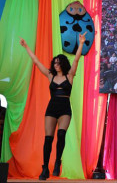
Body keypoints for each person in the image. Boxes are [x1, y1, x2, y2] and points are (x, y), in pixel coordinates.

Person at [20, 32, 87, 180]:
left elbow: (76, 60)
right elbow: (37, 62)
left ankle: (57, 161)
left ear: (62, 63)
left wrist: (81, 43)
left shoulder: (69, 75)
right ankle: (45, 168)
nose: (56, 65)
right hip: (52, 108)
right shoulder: (50, 75)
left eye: (58, 62)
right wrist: (27, 47)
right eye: (54, 62)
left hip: (64, 108)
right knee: (48, 138)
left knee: (61, 134)